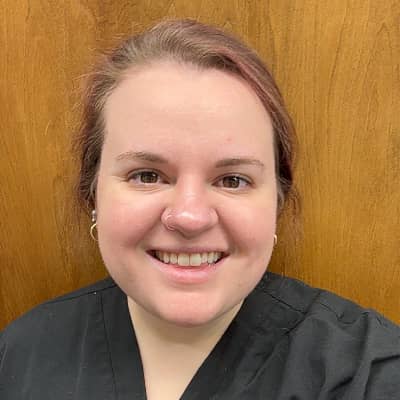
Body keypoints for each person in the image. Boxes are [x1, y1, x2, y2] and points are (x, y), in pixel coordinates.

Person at [0, 19, 399, 400]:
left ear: (277, 203)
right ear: (93, 195)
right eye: (147, 175)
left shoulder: (369, 374)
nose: (190, 217)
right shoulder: (21, 356)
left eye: (233, 180)